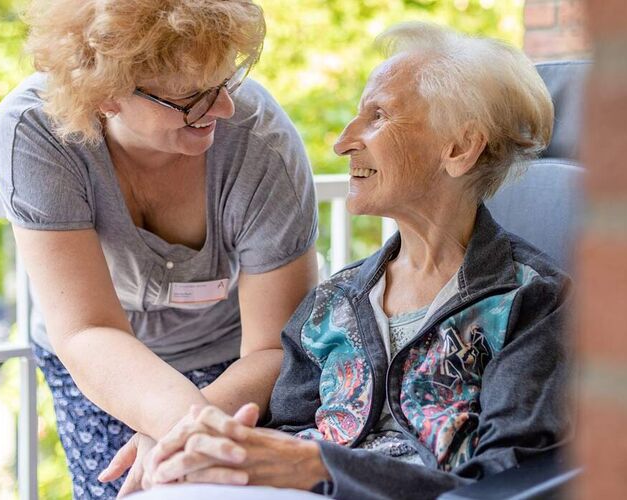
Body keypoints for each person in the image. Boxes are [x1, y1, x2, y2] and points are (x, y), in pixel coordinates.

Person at [108, 22, 571, 500]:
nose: (344, 141)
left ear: (458, 148)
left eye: (378, 116)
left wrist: (317, 466)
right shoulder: (337, 299)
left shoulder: (532, 302)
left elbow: (500, 483)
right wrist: (189, 436)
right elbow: (285, 426)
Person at [0, 0, 319, 497]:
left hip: (238, 362)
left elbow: (275, 345)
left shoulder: (262, 143)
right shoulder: (35, 131)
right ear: (105, 93)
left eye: (226, 81)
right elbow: (87, 329)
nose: (224, 108)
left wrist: (179, 430)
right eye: (192, 96)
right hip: (98, 358)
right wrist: (184, 424)